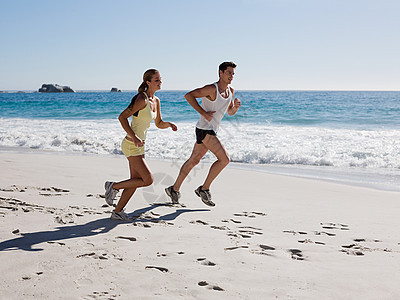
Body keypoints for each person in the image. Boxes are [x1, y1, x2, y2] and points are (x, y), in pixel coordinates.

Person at [105, 69, 177, 220]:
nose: (160, 82)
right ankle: (113, 186)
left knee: (135, 181)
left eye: (160, 79)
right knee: (147, 179)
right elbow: (122, 117)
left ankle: (117, 212)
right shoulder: (141, 99)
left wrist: (169, 124)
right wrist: (135, 137)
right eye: (156, 80)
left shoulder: (156, 101)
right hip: (131, 144)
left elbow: (158, 123)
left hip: (139, 145)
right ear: (148, 82)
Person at [165, 62, 241, 207]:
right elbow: (189, 96)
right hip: (205, 130)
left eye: (233, 74)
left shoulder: (230, 90)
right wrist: (203, 113)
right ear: (220, 73)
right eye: (228, 73)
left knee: (194, 160)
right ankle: (204, 189)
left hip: (212, 130)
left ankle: (173, 189)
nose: (231, 76)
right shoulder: (212, 89)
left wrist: (235, 107)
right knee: (224, 159)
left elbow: (229, 111)